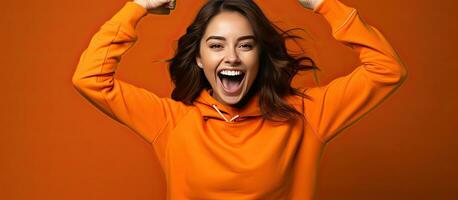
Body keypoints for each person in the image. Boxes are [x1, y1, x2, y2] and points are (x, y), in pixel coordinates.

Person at [72, 0, 408, 199]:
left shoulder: (306, 115)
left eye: (245, 45)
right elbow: (90, 78)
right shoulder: (171, 121)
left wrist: (324, 3)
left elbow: (386, 70)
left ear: (261, 56)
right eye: (217, 45)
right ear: (200, 58)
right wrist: (139, 6)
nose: (231, 57)